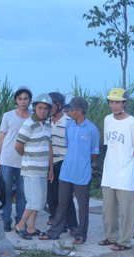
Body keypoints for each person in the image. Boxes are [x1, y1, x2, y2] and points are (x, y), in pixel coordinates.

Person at [42, 97, 99, 244]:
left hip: (82, 174)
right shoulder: (69, 126)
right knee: (62, 203)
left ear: (79, 111)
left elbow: (94, 153)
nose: (68, 112)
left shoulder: (92, 129)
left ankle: (81, 235)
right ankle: (55, 232)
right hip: (66, 172)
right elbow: (68, 146)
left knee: (82, 206)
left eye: (71, 109)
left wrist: (83, 163)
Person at [98, 88, 134, 252]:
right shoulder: (107, 120)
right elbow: (108, 145)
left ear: (125, 103)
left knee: (126, 211)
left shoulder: (133, 123)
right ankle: (111, 237)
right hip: (109, 173)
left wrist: (125, 161)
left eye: (117, 102)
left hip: (124, 174)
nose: (114, 105)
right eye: (111, 102)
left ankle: (125, 241)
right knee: (108, 209)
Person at [13, 93, 53, 240]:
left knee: (40, 201)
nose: (42, 111)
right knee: (34, 200)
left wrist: (50, 168)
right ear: (34, 107)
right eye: (40, 108)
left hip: (43, 169)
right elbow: (18, 146)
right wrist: (29, 157)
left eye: (45, 109)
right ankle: (20, 225)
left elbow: (48, 147)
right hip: (31, 170)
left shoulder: (48, 125)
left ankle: (31, 227)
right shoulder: (28, 124)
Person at [0, 86, 32, 232]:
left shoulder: (33, 117)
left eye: (26, 99)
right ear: (16, 101)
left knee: (23, 192)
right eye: (20, 99)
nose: (23, 102)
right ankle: (6, 219)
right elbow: (2, 136)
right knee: (7, 191)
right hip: (7, 158)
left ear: (30, 100)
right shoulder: (8, 116)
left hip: (26, 160)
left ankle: (20, 221)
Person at [47, 92, 76, 232]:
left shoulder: (68, 122)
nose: (49, 108)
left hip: (64, 162)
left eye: (51, 105)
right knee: (51, 195)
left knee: (66, 196)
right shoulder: (46, 122)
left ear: (59, 105)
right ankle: (58, 223)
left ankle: (73, 225)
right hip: (51, 163)